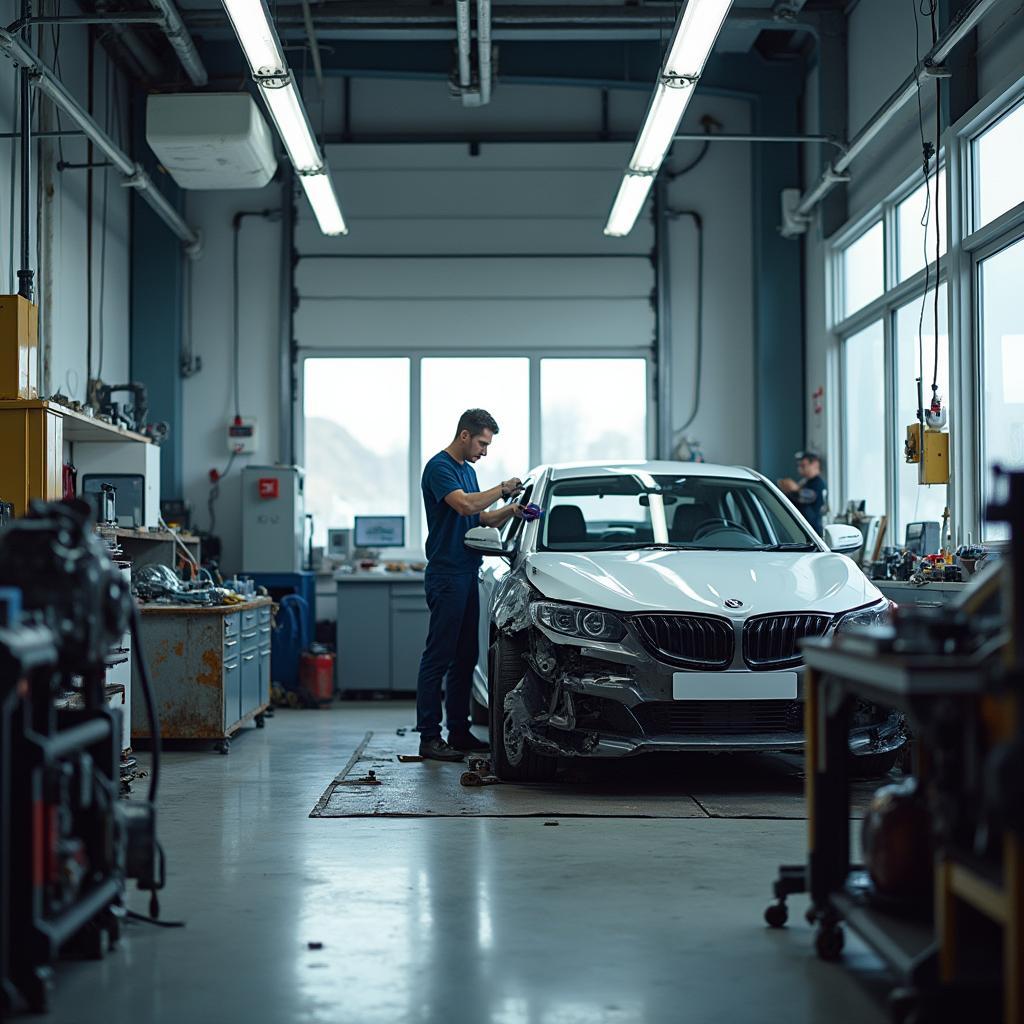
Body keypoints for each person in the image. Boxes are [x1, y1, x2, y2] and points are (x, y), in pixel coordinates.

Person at [415, 409, 525, 762]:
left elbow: (482, 517)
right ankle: (429, 737)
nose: (484, 451)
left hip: (467, 572)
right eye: (482, 443)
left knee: (466, 656)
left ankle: (458, 732)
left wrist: (513, 510)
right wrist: (502, 488)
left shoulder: (468, 471)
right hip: (446, 575)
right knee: (439, 656)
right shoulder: (440, 468)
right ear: (464, 435)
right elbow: (463, 506)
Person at [778, 449, 827, 536]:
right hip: (802, 530)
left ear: (815, 464)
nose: (800, 469)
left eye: (803, 465)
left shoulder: (818, 483)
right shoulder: (805, 482)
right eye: (799, 466)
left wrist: (795, 489)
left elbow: (811, 496)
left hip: (813, 532)